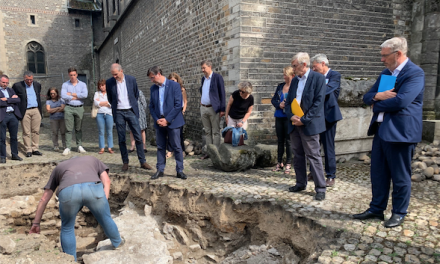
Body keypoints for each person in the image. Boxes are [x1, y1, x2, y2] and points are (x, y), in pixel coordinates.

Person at [353, 37, 424, 228]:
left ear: (398, 54)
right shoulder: (387, 74)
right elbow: (367, 97)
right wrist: (377, 96)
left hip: (401, 133)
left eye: (385, 56)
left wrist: (376, 104)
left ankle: (399, 212)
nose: (382, 60)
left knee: (400, 176)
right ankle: (376, 209)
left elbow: (401, 101)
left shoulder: (414, 73)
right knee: (378, 174)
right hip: (381, 131)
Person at [29, 156, 125, 261]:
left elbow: (44, 199)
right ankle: (117, 242)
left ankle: (70, 260)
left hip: (68, 192)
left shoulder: (59, 167)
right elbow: (106, 180)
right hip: (93, 189)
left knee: (67, 228)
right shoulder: (92, 159)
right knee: (105, 218)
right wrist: (104, 202)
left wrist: (36, 223)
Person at [285, 52, 327, 201]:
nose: (293, 68)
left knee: (313, 155)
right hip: (294, 123)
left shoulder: (318, 78)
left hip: (309, 124)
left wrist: (304, 119)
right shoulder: (295, 81)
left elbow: (318, 102)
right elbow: (289, 101)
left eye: (294, 66)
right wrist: (291, 116)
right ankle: (300, 183)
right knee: (297, 155)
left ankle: (320, 188)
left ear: (304, 64)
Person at [106, 63, 152, 171]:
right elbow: (110, 97)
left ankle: (142, 161)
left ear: (121, 71)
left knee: (138, 136)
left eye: (116, 74)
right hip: (119, 112)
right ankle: (125, 162)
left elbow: (135, 94)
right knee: (121, 138)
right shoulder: (109, 82)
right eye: (113, 74)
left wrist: (131, 106)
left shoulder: (131, 80)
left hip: (131, 111)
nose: (114, 76)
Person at [148, 66, 186, 180]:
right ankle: (160, 169)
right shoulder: (153, 88)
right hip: (159, 122)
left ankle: (180, 170)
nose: (152, 80)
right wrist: (157, 119)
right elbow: (151, 106)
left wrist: (167, 120)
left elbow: (178, 105)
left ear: (159, 74)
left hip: (173, 122)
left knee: (177, 146)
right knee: (160, 146)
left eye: (152, 77)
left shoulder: (174, 86)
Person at [310, 54, 343, 187]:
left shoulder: (334, 75)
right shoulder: (314, 76)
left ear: (323, 63)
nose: (313, 69)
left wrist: (314, 90)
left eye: (315, 66)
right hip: (316, 116)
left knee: (328, 146)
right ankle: (314, 171)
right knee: (314, 146)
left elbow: (328, 90)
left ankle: (331, 175)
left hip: (329, 116)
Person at [12, 71, 43, 157]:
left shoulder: (37, 85)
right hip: (25, 111)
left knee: (36, 131)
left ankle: (35, 148)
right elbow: (14, 97)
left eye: (31, 80)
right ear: (24, 78)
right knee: (26, 131)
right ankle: (28, 149)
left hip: (36, 109)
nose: (29, 81)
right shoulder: (17, 86)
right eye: (27, 80)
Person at [199, 60, 226, 160]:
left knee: (216, 131)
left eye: (204, 68)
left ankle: (216, 152)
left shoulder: (217, 78)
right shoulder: (203, 79)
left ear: (210, 66)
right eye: (202, 68)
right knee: (207, 131)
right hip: (204, 108)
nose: (202, 70)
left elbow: (222, 94)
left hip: (213, 108)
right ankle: (209, 152)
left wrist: (222, 109)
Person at [271, 66, 295, 174]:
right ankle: (279, 162)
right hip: (279, 115)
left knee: (289, 141)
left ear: (291, 75)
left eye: (286, 74)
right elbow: (273, 99)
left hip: (289, 117)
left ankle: (288, 163)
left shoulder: (295, 86)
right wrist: (278, 104)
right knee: (280, 140)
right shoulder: (280, 86)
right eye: (283, 74)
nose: (284, 76)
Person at [61, 67, 88, 155]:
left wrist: (71, 94)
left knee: (78, 128)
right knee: (68, 128)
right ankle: (68, 147)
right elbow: (63, 96)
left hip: (79, 107)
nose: (73, 77)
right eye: (71, 75)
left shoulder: (83, 84)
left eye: (74, 75)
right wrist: (77, 96)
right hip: (69, 107)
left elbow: (85, 95)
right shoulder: (65, 85)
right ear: (69, 75)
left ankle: (79, 145)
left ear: (77, 75)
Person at [0, 75, 23, 163]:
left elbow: (18, 100)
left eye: (6, 82)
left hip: (13, 115)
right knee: (2, 138)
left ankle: (15, 154)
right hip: (3, 115)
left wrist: (5, 99)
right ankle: (2, 156)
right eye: (3, 82)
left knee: (14, 137)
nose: (5, 84)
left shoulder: (10, 90)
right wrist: (10, 100)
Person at [166, 72, 187, 158]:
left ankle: (181, 149)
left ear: (177, 81)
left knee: (179, 133)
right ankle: (170, 150)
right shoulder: (167, 90)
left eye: (174, 80)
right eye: (170, 81)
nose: (172, 82)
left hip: (179, 112)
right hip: (170, 113)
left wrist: (183, 111)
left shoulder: (182, 90)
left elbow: (185, 101)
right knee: (170, 132)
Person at [94, 79, 114, 154]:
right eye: (100, 86)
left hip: (109, 113)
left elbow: (111, 103)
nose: (101, 87)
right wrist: (105, 103)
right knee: (101, 131)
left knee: (109, 131)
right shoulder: (97, 93)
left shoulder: (110, 93)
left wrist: (102, 103)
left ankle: (110, 147)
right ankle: (102, 147)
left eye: (103, 85)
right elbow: (96, 103)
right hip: (100, 113)